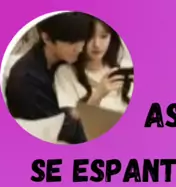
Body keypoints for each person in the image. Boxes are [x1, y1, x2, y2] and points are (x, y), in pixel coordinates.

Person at [5, 13, 90, 144]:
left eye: (82, 39)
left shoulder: (66, 59)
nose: (79, 48)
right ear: (47, 38)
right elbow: (58, 129)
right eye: (71, 42)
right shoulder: (26, 81)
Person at [54, 17, 133, 115]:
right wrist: (98, 95)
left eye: (103, 36)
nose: (97, 44)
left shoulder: (122, 69)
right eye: (90, 37)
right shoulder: (66, 73)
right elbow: (72, 120)